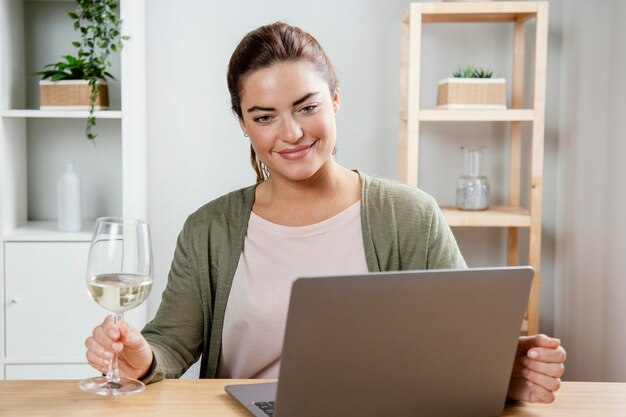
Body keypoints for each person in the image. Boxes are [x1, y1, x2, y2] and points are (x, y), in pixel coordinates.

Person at [85, 21, 566, 403]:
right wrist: (140, 356)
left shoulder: (410, 216)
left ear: (335, 100)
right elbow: (170, 343)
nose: (291, 133)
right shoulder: (209, 228)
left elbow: (461, 342)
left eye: (306, 106)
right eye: (264, 116)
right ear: (242, 124)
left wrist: (503, 370)